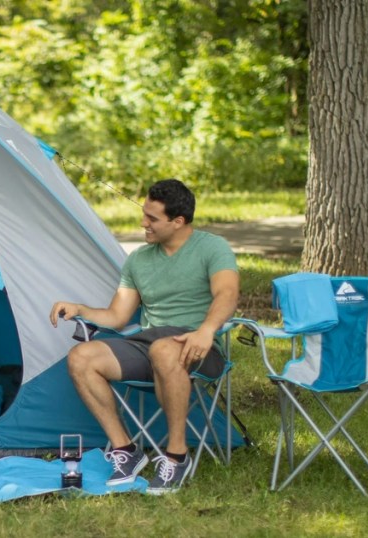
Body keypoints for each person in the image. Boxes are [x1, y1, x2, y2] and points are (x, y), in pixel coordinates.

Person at [49, 178, 239, 495]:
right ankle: (125, 450)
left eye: (152, 218)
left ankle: (176, 456)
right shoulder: (138, 259)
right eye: (144, 214)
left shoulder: (212, 248)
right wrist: (80, 308)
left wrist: (206, 331)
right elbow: (117, 316)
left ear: (178, 221)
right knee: (81, 357)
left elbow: (228, 294)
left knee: (164, 349)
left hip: (200, 347)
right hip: (148, 345)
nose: (143, 223)